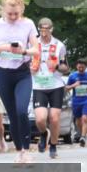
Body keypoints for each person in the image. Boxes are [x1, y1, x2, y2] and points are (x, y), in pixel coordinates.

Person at [0, 0, 40, 165]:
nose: (13, 17)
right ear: (3, 11)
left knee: (22, 110)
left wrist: (23, 51)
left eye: (16, 13)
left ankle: (27, 149)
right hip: (4, 74)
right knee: (13, 115)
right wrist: (4, 47)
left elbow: (36, 50)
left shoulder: (28, 24)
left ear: (21, 9)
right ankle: (20, 151)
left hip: (22, 73)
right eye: (10, 14)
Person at [31, 18, 67, 159]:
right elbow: (24, 61)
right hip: (39, 85)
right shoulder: (33, 44)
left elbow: (65, 68)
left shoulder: (59, 45)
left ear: (51, 29)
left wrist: (56, 65)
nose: (44, 32)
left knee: (54, 118)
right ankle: (44, 134)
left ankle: (53, 146)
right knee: (40, 119)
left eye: (47, 29)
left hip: (55, 85)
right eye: (41, 29)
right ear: (39, 30)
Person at [67, 58, 87, 147]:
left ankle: (83, 137)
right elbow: (67, 88)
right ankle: (84, 133)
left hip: (86, 100)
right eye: (79, 67)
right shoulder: (72, 76)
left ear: (85, 67)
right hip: (76, 100)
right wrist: (74, 85)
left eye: (82, 67)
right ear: (77, 66)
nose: (81, 69)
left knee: (85, 118)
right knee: (78, 121)